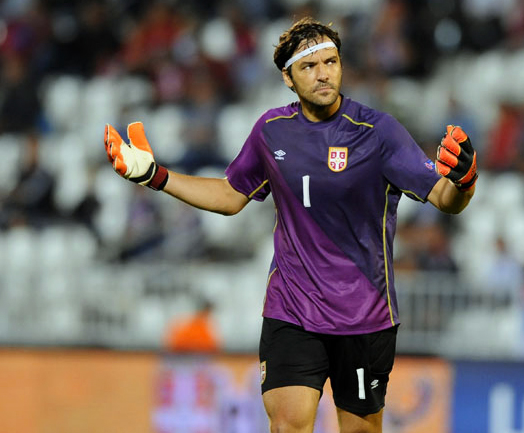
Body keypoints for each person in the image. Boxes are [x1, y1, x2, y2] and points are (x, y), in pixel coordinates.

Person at [104, 17, 477, 433]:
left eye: (331, 62)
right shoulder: (272, 132)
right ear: (288, 77)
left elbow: (445, 199)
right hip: (292, 309)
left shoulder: (378, 132)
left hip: (364, 314)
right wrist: (156, 176)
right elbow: (230, 196)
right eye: (309, 66)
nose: (323, 74)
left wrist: (464, 181)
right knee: (288, 426)